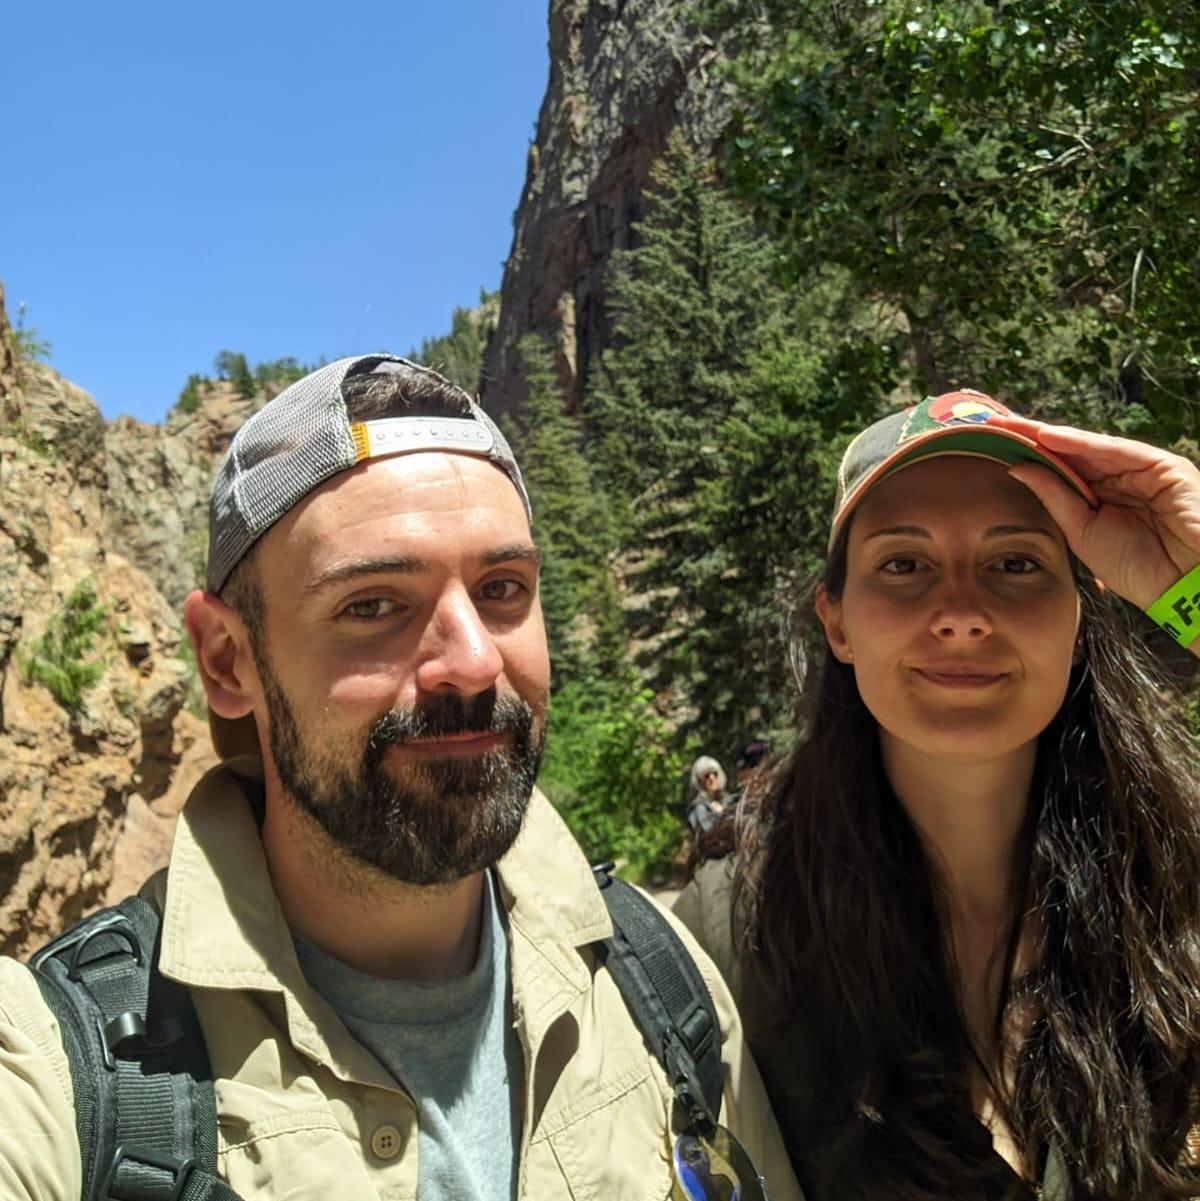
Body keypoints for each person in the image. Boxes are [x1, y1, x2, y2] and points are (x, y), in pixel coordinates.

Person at [0, 355, 799, 1201]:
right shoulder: (60, 1072)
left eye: (503, 589)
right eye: (374, 604)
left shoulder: (662, 988)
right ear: (227, 658)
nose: (475, 660)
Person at [674, 389, 1200, 1201]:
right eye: (904, 563)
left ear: (1082, 614)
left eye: (1016, 563)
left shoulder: (1180, 887)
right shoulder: (730, 934)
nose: (960, 612)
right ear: (838, 621)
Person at [687, 755, 729, 836]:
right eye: (707, 776)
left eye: (715, 774)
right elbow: (710, 834)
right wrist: (719, 814)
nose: (712, 778)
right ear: (699, 781)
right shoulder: (699, 807)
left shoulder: (727, 799)